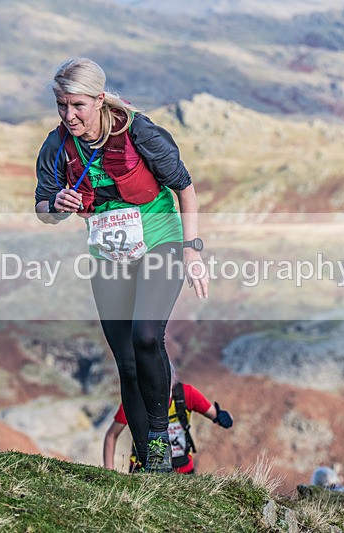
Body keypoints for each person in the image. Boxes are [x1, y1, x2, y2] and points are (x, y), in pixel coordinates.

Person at [34, 58, 209, 473]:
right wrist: (56, 206)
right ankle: (149, 459)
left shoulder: (139, 132)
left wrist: (192, 249)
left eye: (77, 105)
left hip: (159, 240)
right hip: (108, 254)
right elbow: (42, 206)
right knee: (127, 363)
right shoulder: (56, 145)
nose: (68, 115)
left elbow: (184, 187)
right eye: (61, 105)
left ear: (98, 99)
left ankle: (161, 442)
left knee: (147, 336)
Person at [103, 364, 233, 474]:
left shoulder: (187, 394)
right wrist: (109, 474)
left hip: (183, 471)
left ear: (173, 380)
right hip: (143, 472)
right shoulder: (135, 401)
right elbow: (111, 436)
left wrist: (226, 418)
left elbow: (218, 415)